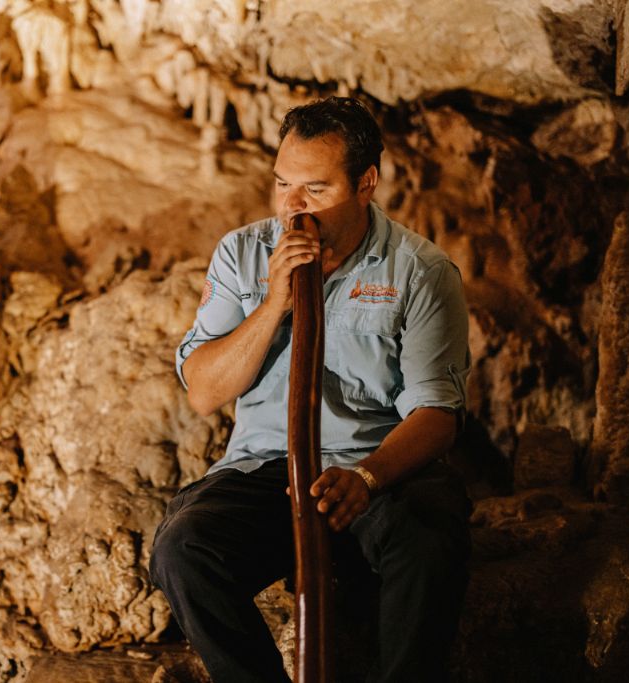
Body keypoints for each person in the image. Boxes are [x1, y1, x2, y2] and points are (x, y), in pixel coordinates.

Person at [149, 97, 473, 683]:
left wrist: (369, 478)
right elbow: (202, 390)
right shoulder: (243, 254)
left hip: (372, 472)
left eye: (315, 189)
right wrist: (275, 299)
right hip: (266, 470)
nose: (291, 205)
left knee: (428, 540)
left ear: (365, 183)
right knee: (182, 549)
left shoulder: (419, 271)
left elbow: (437, 413)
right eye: (282, 184)